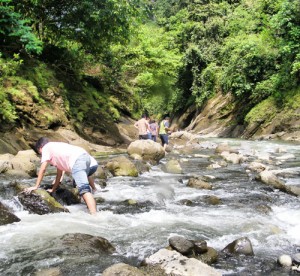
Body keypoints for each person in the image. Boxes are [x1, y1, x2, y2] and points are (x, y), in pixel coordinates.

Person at [25, 137, 97, 215]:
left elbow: (43, 169)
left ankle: (94, 215)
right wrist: (53, 189)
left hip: (77, 160)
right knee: (83, 187)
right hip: (85, 156)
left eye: (40, 153)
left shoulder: (46, 148)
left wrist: (36, 186)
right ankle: (91, 209)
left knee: (84, 189)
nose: (41, 155)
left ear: (40, 148)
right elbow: (59, 175)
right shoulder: (56, 150)